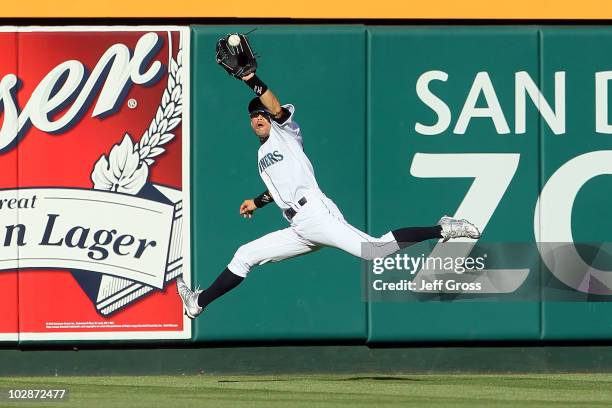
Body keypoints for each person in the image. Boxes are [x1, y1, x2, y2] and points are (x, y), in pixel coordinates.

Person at [176, 70, 480, 319]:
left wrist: (250, 79)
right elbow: (279, 188)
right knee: (245, 255)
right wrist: (256, 202)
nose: (258, 118)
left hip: (316, 214)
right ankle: (198, 301)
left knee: (373, 250)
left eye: (262, 114)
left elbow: (275, 106)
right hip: (298, 227)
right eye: (253, 116)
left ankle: (444, 227)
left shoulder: (286, 132)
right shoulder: (262, 155)